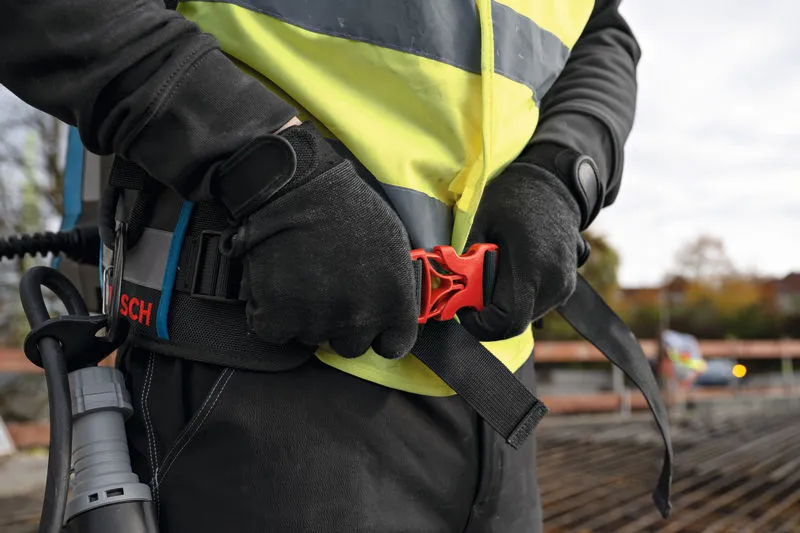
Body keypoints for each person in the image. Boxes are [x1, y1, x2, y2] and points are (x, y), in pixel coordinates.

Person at [0, 1, 641, 531]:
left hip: (499, 398)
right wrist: (261, 162)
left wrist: (563, 171)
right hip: (259, 382)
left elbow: (602, 32)